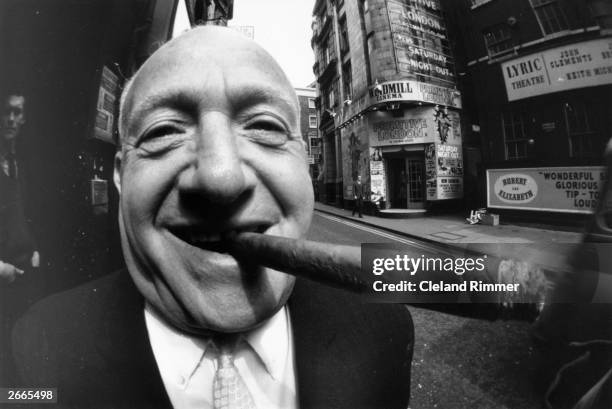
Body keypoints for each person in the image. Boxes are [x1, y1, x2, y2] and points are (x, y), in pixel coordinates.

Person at [12, 27, 414, 409]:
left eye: (264, 127)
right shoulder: (35, 350)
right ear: (121, 175)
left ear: (305, 166)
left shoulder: (384, 329)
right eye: (163, 131)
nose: (221, 177)